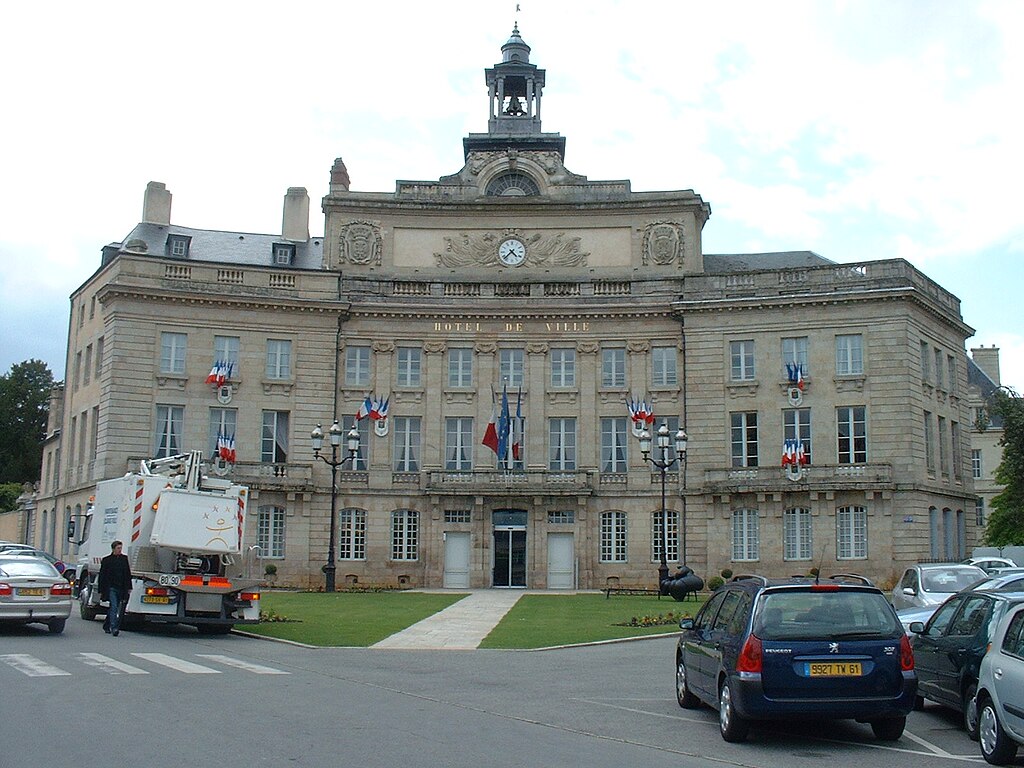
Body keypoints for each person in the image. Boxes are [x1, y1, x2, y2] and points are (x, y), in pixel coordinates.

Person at [98, 540, 132, 636]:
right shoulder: (107, 560)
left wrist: (129, 587)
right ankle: (114, 628)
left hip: (121, 587)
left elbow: (127, 574)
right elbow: (102, 575)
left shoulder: (124, 559)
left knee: (115, 607)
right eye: (118, 548)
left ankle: (106, 625)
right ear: (113, 549)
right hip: (111, 587)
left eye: (121, 548)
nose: (120, 550)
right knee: (114, 606)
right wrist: (101, 589)